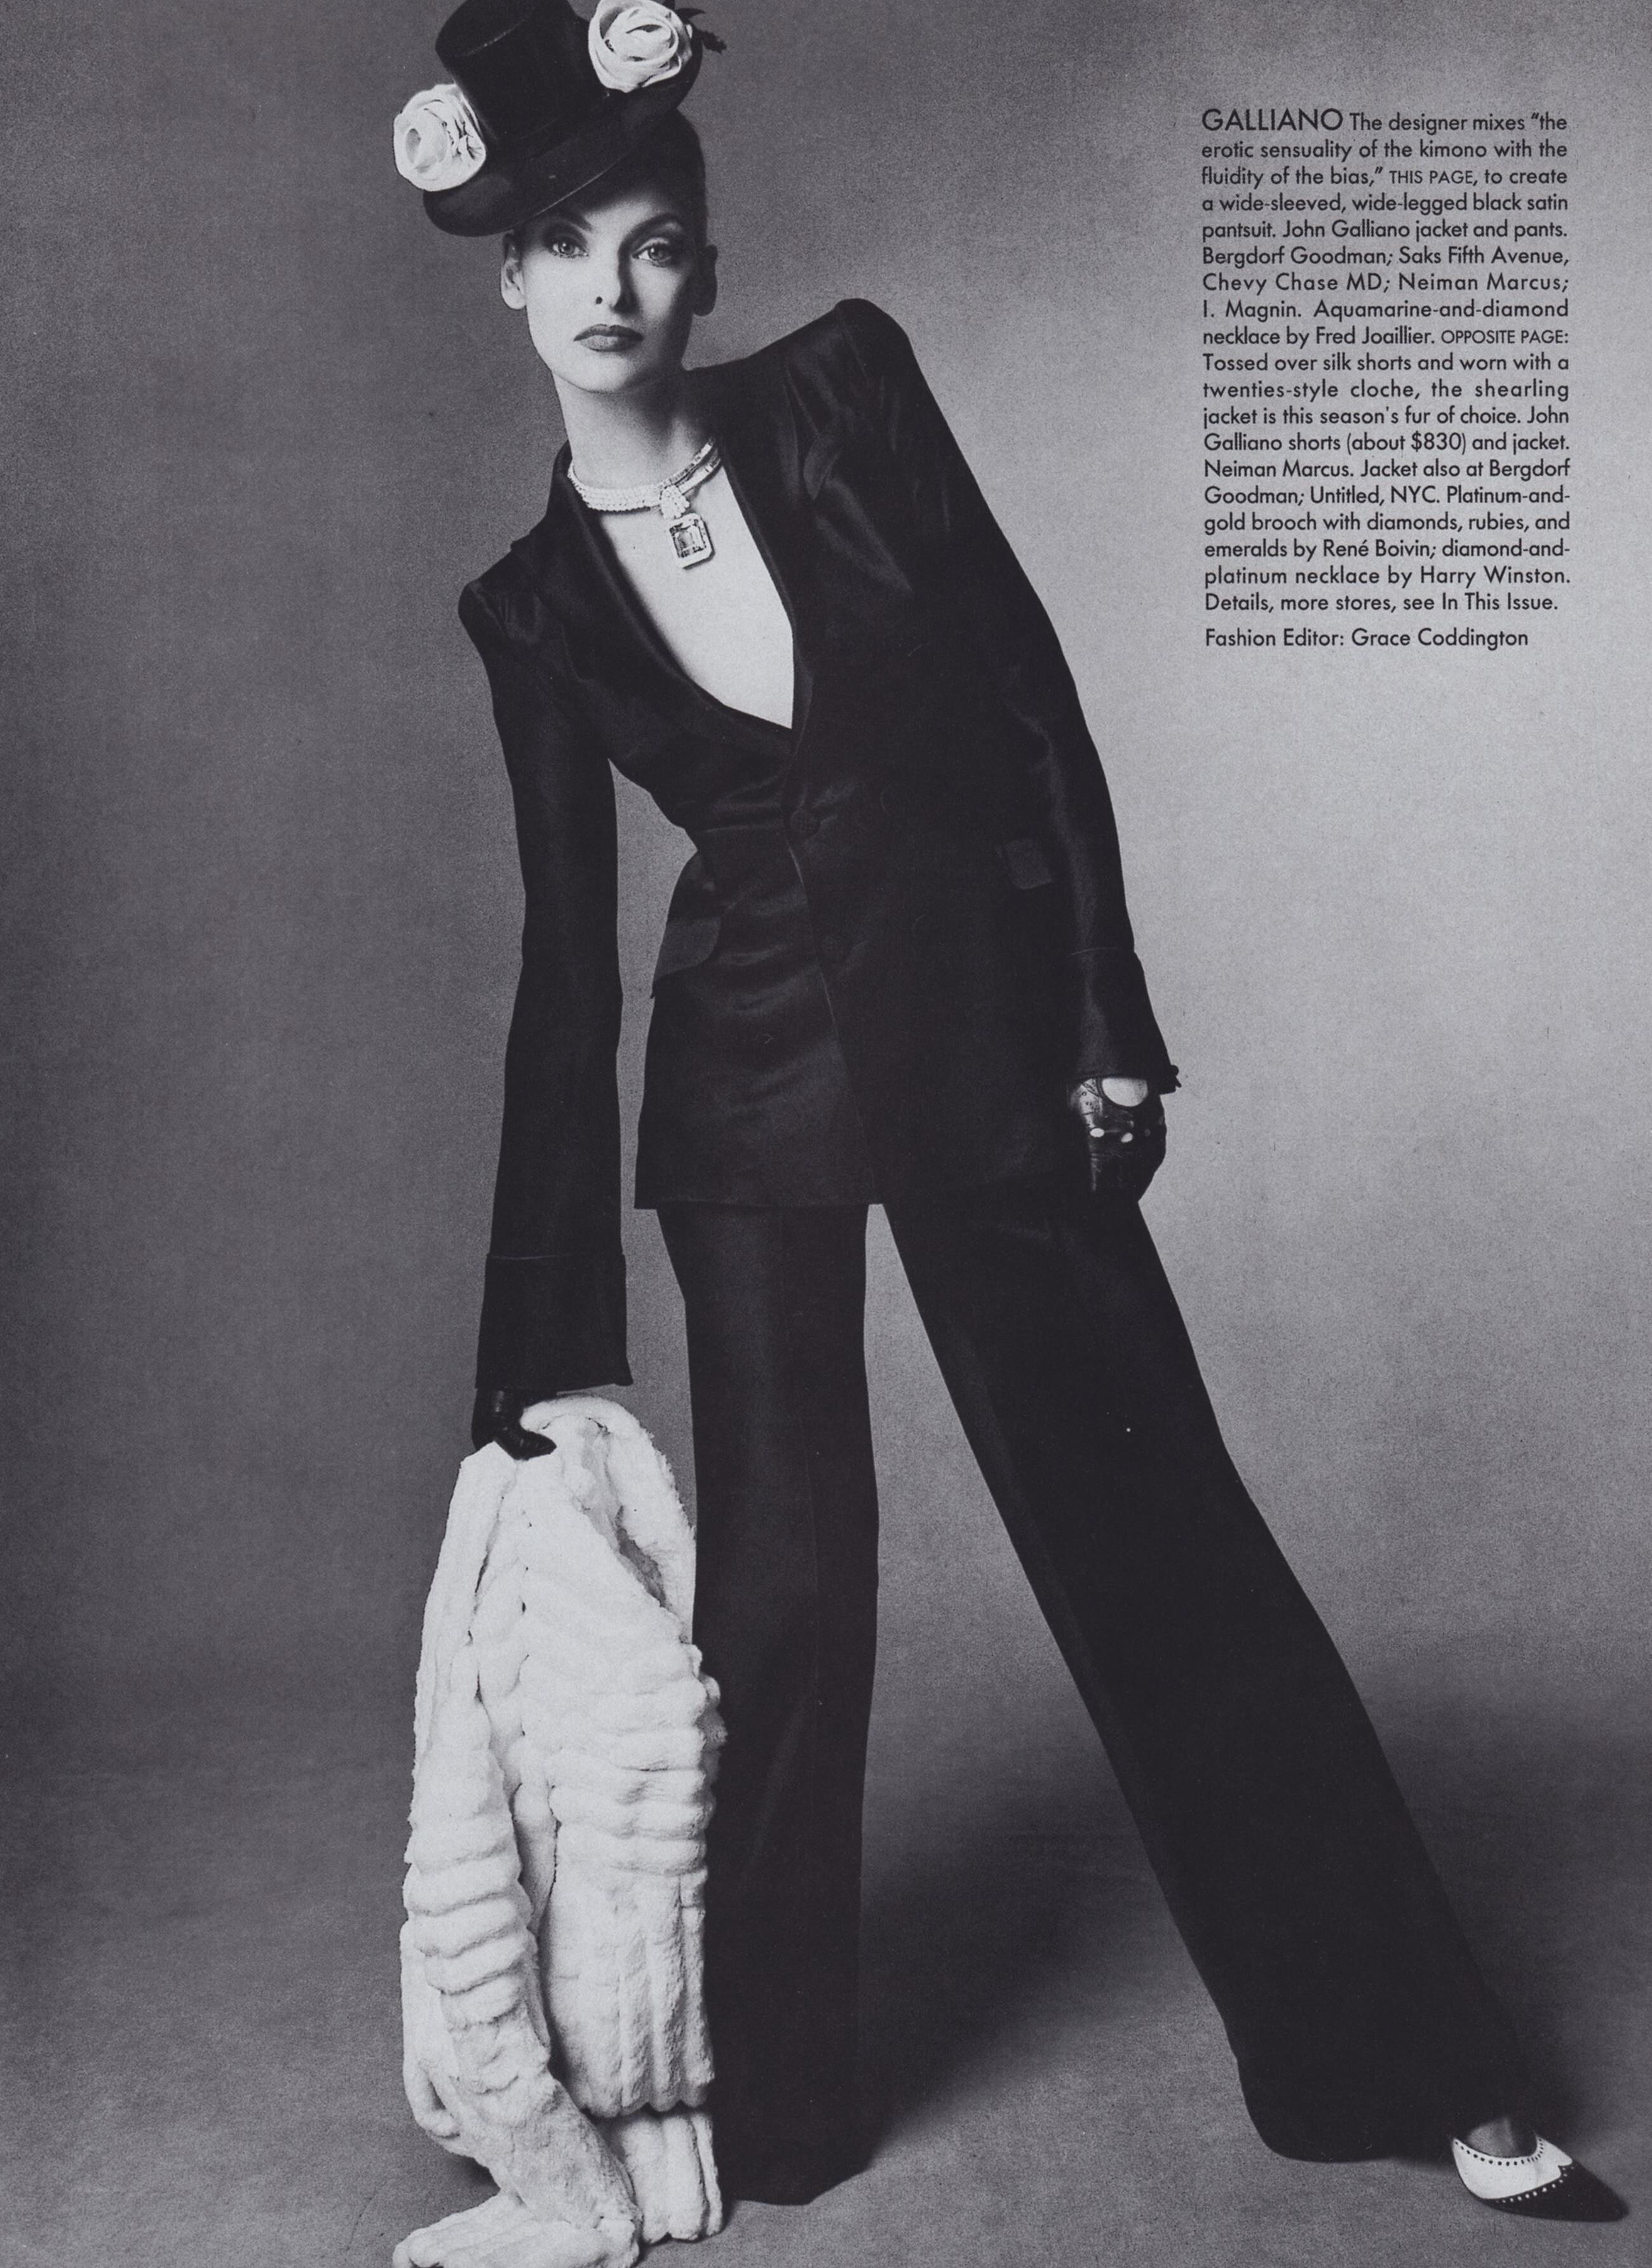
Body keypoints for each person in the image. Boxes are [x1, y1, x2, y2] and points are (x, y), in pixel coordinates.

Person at [393, 0, 1618, 2224]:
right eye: (563, 246)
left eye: (650, 241)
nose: (609, 288)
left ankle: (1409, 2055)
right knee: (786, 1598)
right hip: (747, 1085)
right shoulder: (530, 605)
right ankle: (776, 2105)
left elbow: (1032, 704)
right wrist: (535, 1344)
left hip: (982, 1035)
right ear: (507, 282)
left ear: (706, 262)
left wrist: (1107, 1014)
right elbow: (562, 968)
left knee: (1161, 1539)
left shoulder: (846, 393)